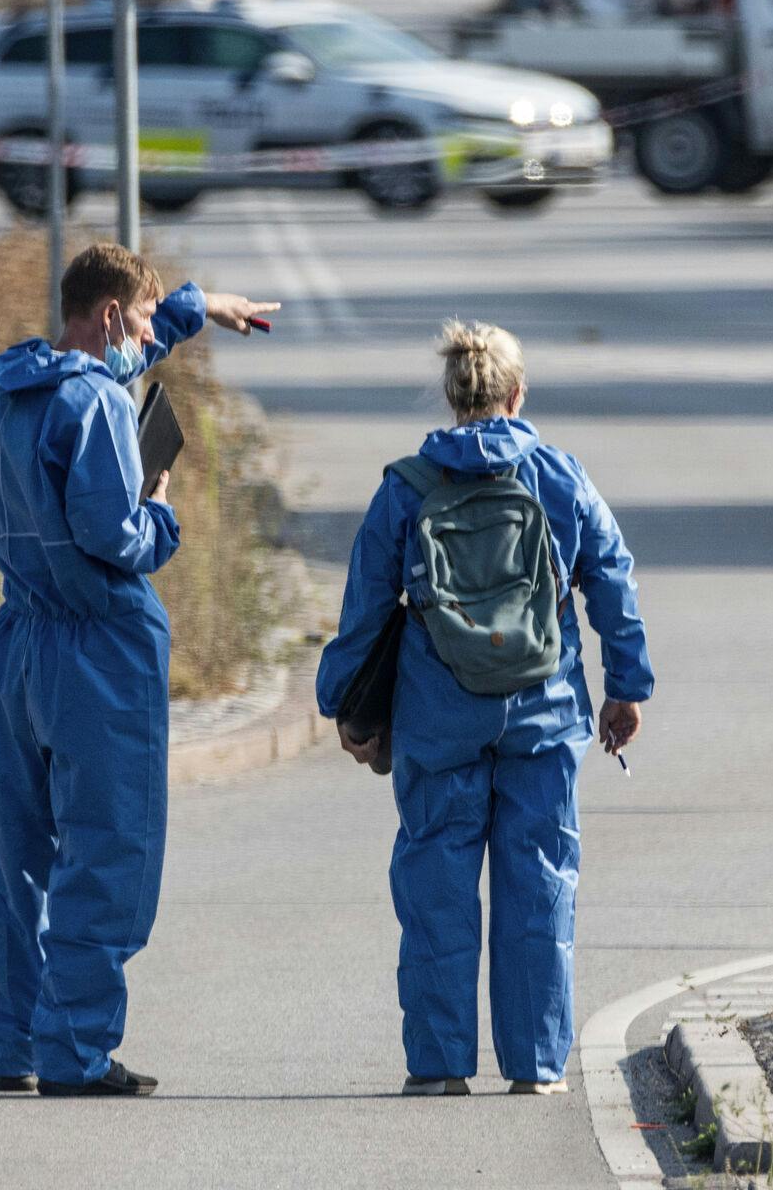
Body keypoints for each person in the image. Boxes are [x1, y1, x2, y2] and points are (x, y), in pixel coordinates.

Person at [316, 321, 654, 1097]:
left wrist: (343, 703)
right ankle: (536, 1065)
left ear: (451, 395)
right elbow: (611, 576)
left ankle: (438, 1064)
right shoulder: (559, 476)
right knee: (540, 884)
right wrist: (626, 685)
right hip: (544, 713)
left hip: (440, 718)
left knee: (436, 885)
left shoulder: (406, 486)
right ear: (517, 392)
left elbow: (365, 607)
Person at [0, 243, 279, 1097]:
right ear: (108, 314)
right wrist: (160, 510)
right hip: (98, 644)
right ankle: (76, 1050)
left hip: (22, 639)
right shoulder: (98, 406)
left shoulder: (15, 392)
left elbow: (118, 363)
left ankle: (14, 1042)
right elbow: (116, 538)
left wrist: (193, 305)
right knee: (108, 849)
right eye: (140, 319)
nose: (143, 338)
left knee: (18, 851)